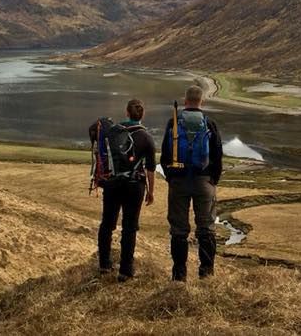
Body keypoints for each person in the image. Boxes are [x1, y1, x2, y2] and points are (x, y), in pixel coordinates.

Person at [88, 99, 157, 282]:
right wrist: (151, 192)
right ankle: (125, 271)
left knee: (107, 224)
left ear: (126, 112)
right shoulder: (147, 137)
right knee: (129, 227)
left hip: (112, 184)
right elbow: (150, 169)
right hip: (135, 186)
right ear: (142, 115)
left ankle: (104, 264)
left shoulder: (113, 132)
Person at [160, 85, 224, 281]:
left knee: (179, 230)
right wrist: (213, 180)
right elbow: (218, 155)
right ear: (201, 102)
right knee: (206, 228)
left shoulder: (174, 122)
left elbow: (164, 155)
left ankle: (179, 276)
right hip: (204, 181)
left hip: (179, 182)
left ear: (185, 101)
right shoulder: (209, 123)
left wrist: (171, 177)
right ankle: (206, 274)